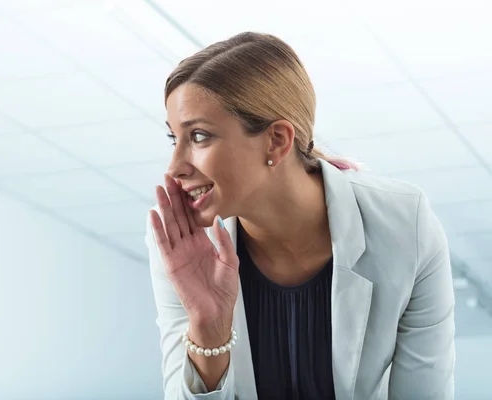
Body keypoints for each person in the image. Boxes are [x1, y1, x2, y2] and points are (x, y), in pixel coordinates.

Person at [145, 32, 455, 400]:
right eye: (173, 139)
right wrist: (209, 331)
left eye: (198, 136)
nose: (175, 167)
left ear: (276, 140)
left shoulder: (405, 224)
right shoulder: (180, 244)